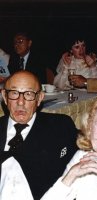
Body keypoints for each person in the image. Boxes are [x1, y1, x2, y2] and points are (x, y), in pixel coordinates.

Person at [0, 70, 78, 200]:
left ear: (39, 98)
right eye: (14, 93)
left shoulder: (59, 126)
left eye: (29, 94)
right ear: (4, 96)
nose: (20, 102)